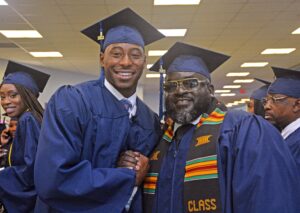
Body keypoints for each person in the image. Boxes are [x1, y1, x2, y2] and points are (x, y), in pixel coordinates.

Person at [135, 42, 299, 213]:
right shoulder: (159, 139)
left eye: (191, 83)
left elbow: (268, 201)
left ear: (210, 90)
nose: (180, 91)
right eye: (171, 86)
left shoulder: (244, 131)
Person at [34, 8, 164, 212]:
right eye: (116, 54)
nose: (126, 62)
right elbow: (53, 178)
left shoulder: (150, 121)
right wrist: (126, 178)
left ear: (144, 62)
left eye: (135, 55)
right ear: (102, 59)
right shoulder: (72, 103)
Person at [0, 61, 50, 212]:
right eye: (2, 97)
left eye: (13, 95)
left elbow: (30, 169)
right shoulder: (27, 118)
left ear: (27, 95)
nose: (6, 102)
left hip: (29, 201)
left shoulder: (27, 119)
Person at [263, 67, 300, 168]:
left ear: (297, 105)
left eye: (275, 99)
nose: (267, 106)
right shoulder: (286, 136)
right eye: (266, 100)